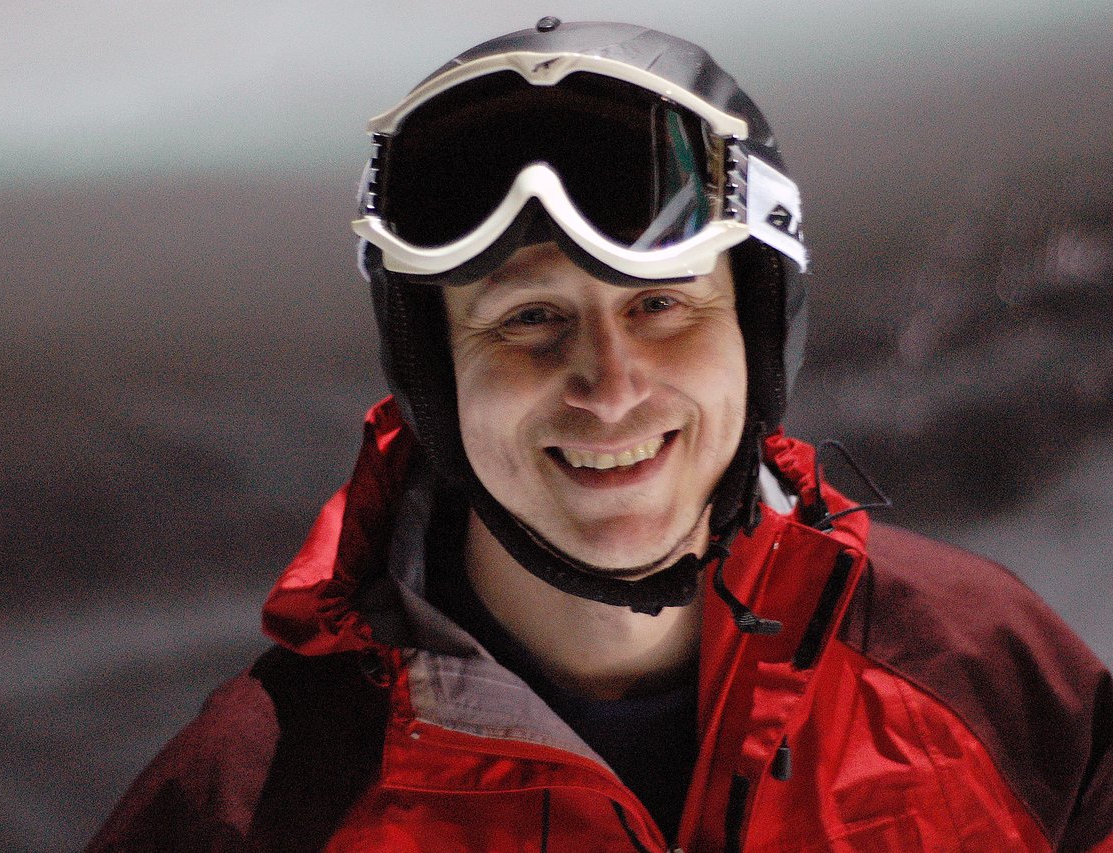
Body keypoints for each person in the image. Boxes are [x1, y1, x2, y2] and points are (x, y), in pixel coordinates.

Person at [89, 19, 1112, 852]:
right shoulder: (255, 807)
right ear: (433, 376)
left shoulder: (982, 676)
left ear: (759, 336)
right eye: (530, 319)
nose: (609, 389)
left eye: (661, 306)